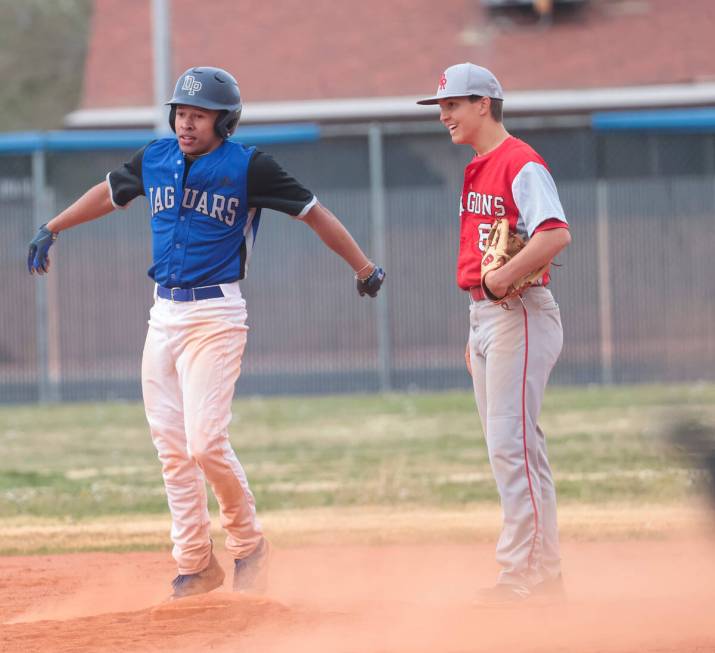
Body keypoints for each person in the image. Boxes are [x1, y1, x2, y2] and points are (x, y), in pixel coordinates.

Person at [27, 66, 385, 600]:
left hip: (216, 316)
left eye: (199, 115)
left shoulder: (249, 167)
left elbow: (314, 214)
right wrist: (53, 227)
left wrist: (363, 267)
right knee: (171, 447)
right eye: (181, 113)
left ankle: (249, 546)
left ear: (225, 121)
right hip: (162, 316)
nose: (187, 124)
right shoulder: (156, 157)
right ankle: (195, 563)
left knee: (205, 442)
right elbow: (109, 193)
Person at [417, 63, 571, 606]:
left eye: (453, 105)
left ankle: (520, 575)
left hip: (520, 310)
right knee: (517, 450)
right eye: (441, 106)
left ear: (483, 103)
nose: (444, 115)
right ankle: (544, 574)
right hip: (489, 317)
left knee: (512, 448)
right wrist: (477, 323)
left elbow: (555, 234)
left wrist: (501, 281)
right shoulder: (481, 166)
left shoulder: (520, 163)